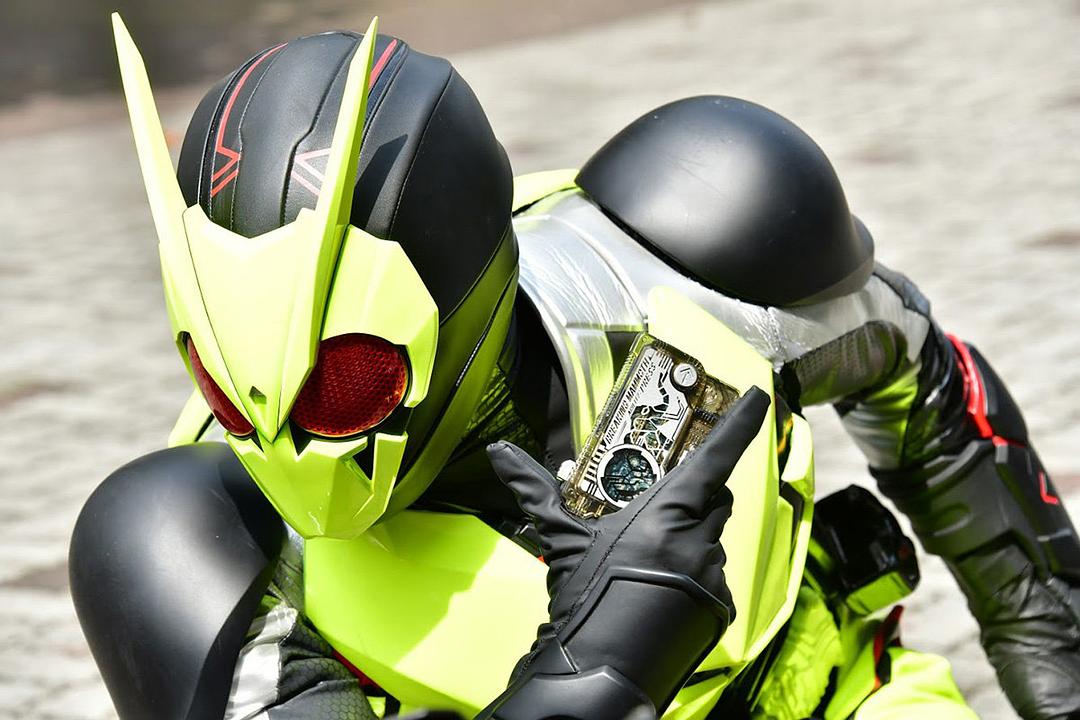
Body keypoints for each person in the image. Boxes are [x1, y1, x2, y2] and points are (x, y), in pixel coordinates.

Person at [70, 18, 1080, 720]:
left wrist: (1047, 643)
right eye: (227, 392)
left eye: (343, 389)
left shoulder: (691, 257)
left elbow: (925, 381)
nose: (281, 445)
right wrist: (594, 671)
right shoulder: (190, 544)